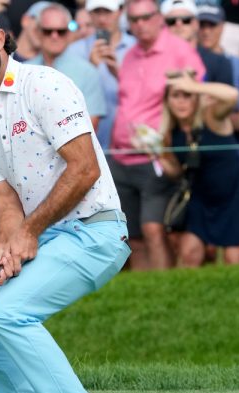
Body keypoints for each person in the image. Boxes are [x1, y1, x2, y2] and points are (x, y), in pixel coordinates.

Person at [0, 7, 129, 393]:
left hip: (96, 231)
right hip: (49, 237)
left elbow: (84, 169)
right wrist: (5, 245)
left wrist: (28, 232)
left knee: (6, 313)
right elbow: (3, 199)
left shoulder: (44, 85)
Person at [109, 0, 205, 270]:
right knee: (133, 236)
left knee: (154, 229)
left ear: (158, 18)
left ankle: (164, 288)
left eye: (145, 18)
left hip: (155, 154)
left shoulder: (179, 51)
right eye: (134, 20)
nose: (139, 25)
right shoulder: (130, 55)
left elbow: (196, 96)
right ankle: (146, 294)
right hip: (121, 155)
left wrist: (172, 140)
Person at [155, 71, 239, 266]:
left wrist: (194, 85)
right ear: (167, 101)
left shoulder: (212, 117)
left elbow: (232, 95)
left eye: (187, 95)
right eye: (176, 96)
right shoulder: (170, 132)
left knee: (233, 259)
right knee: (189, 253)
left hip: (233, 196)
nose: (181, 102)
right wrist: (159, 157)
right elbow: (176, 172)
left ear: (196, 97)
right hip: (201, 199)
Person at [26, 4, 107, 131]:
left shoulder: (87, 72)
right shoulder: (24, 70)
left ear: (69, 33)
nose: (54, 36)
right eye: (48, 31)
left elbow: (90, 126)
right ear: (38, 32)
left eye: (61, 31)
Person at [67, 0, 136, 150]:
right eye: (97, 12)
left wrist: (119, 75)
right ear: (89, 14)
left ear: (120, 11)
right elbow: (67, 101)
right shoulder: (74, 50)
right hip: (89, 142)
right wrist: (91, 68)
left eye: (107, 12)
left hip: (130, 143)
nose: (102, 18)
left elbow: (145, 96)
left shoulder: (136, 47)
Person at [196, 4, 239, 140]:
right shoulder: (188, 60)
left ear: (222, 26)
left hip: (231, 140)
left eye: (212, 25)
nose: (206, 32)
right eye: (202, 25)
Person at [161, 0, 233, 86]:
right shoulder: (154, 59)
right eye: (171, 21)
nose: (179, 24)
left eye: (186, 20)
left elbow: (229, 96)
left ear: (196, 23)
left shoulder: (219, 62)